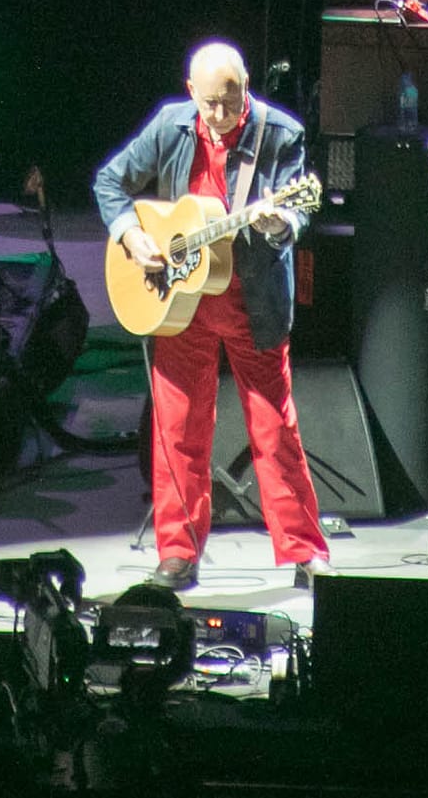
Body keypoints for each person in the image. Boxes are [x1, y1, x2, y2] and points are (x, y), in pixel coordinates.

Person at [92, 42, 332, 592]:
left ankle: (304, 552)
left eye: (232, 102)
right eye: (211, 106)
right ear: (190, 93)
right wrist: (132, 235)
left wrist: (277, 225)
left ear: (246, 88)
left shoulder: (279, 133)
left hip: (253, 301)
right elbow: (110, 181)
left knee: (274, 430)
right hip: (181, 301)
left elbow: (297, 212)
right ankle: (177, 553)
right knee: (177, 429)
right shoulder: (171, 125)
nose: (222, 117)